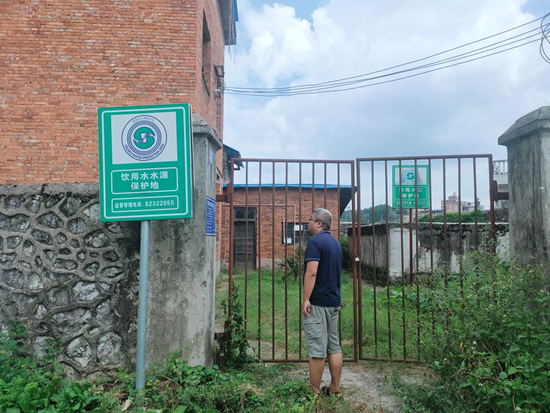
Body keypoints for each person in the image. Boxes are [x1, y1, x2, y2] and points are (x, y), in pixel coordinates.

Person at [302, 208, 343, 397]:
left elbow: (312, 272)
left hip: (318, 302)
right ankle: (334, 389)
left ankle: (314, 393)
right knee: (333, 346)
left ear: (319, 223)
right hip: (334, 301)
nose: (307, 222)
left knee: (318, 350)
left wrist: (306, 299)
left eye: (310, 219)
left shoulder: (315, 242)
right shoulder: (335, 243)